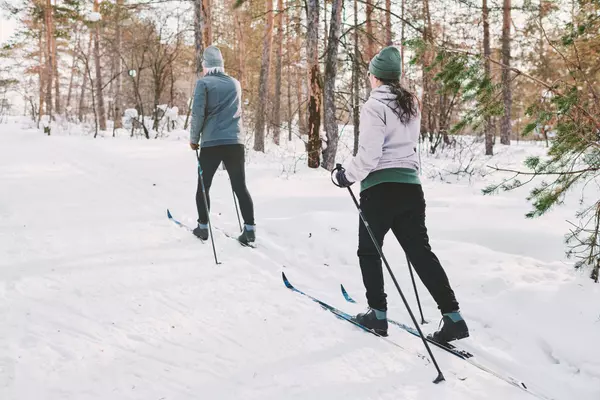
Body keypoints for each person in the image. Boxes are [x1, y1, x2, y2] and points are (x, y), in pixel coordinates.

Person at [333, 46, 469, 343]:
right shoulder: (411, 104)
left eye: (370, 74)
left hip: (380, 190)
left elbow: (369, 156)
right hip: (410, 188)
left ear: (376, 77)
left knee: (369, 250)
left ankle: (377, 315)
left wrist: (345, 176)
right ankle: (453, 317)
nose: (369, 79)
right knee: (420, 253)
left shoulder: (373, 106)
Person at [189, 46, 256, 245]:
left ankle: (202, 228)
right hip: (235, 142)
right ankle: (250, 229)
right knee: (239, 186)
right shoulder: (235, 83)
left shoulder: (203, 84)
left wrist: (194, 139)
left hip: (211, 143)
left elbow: (198, 114)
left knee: (203, 185)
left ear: (206, 65)